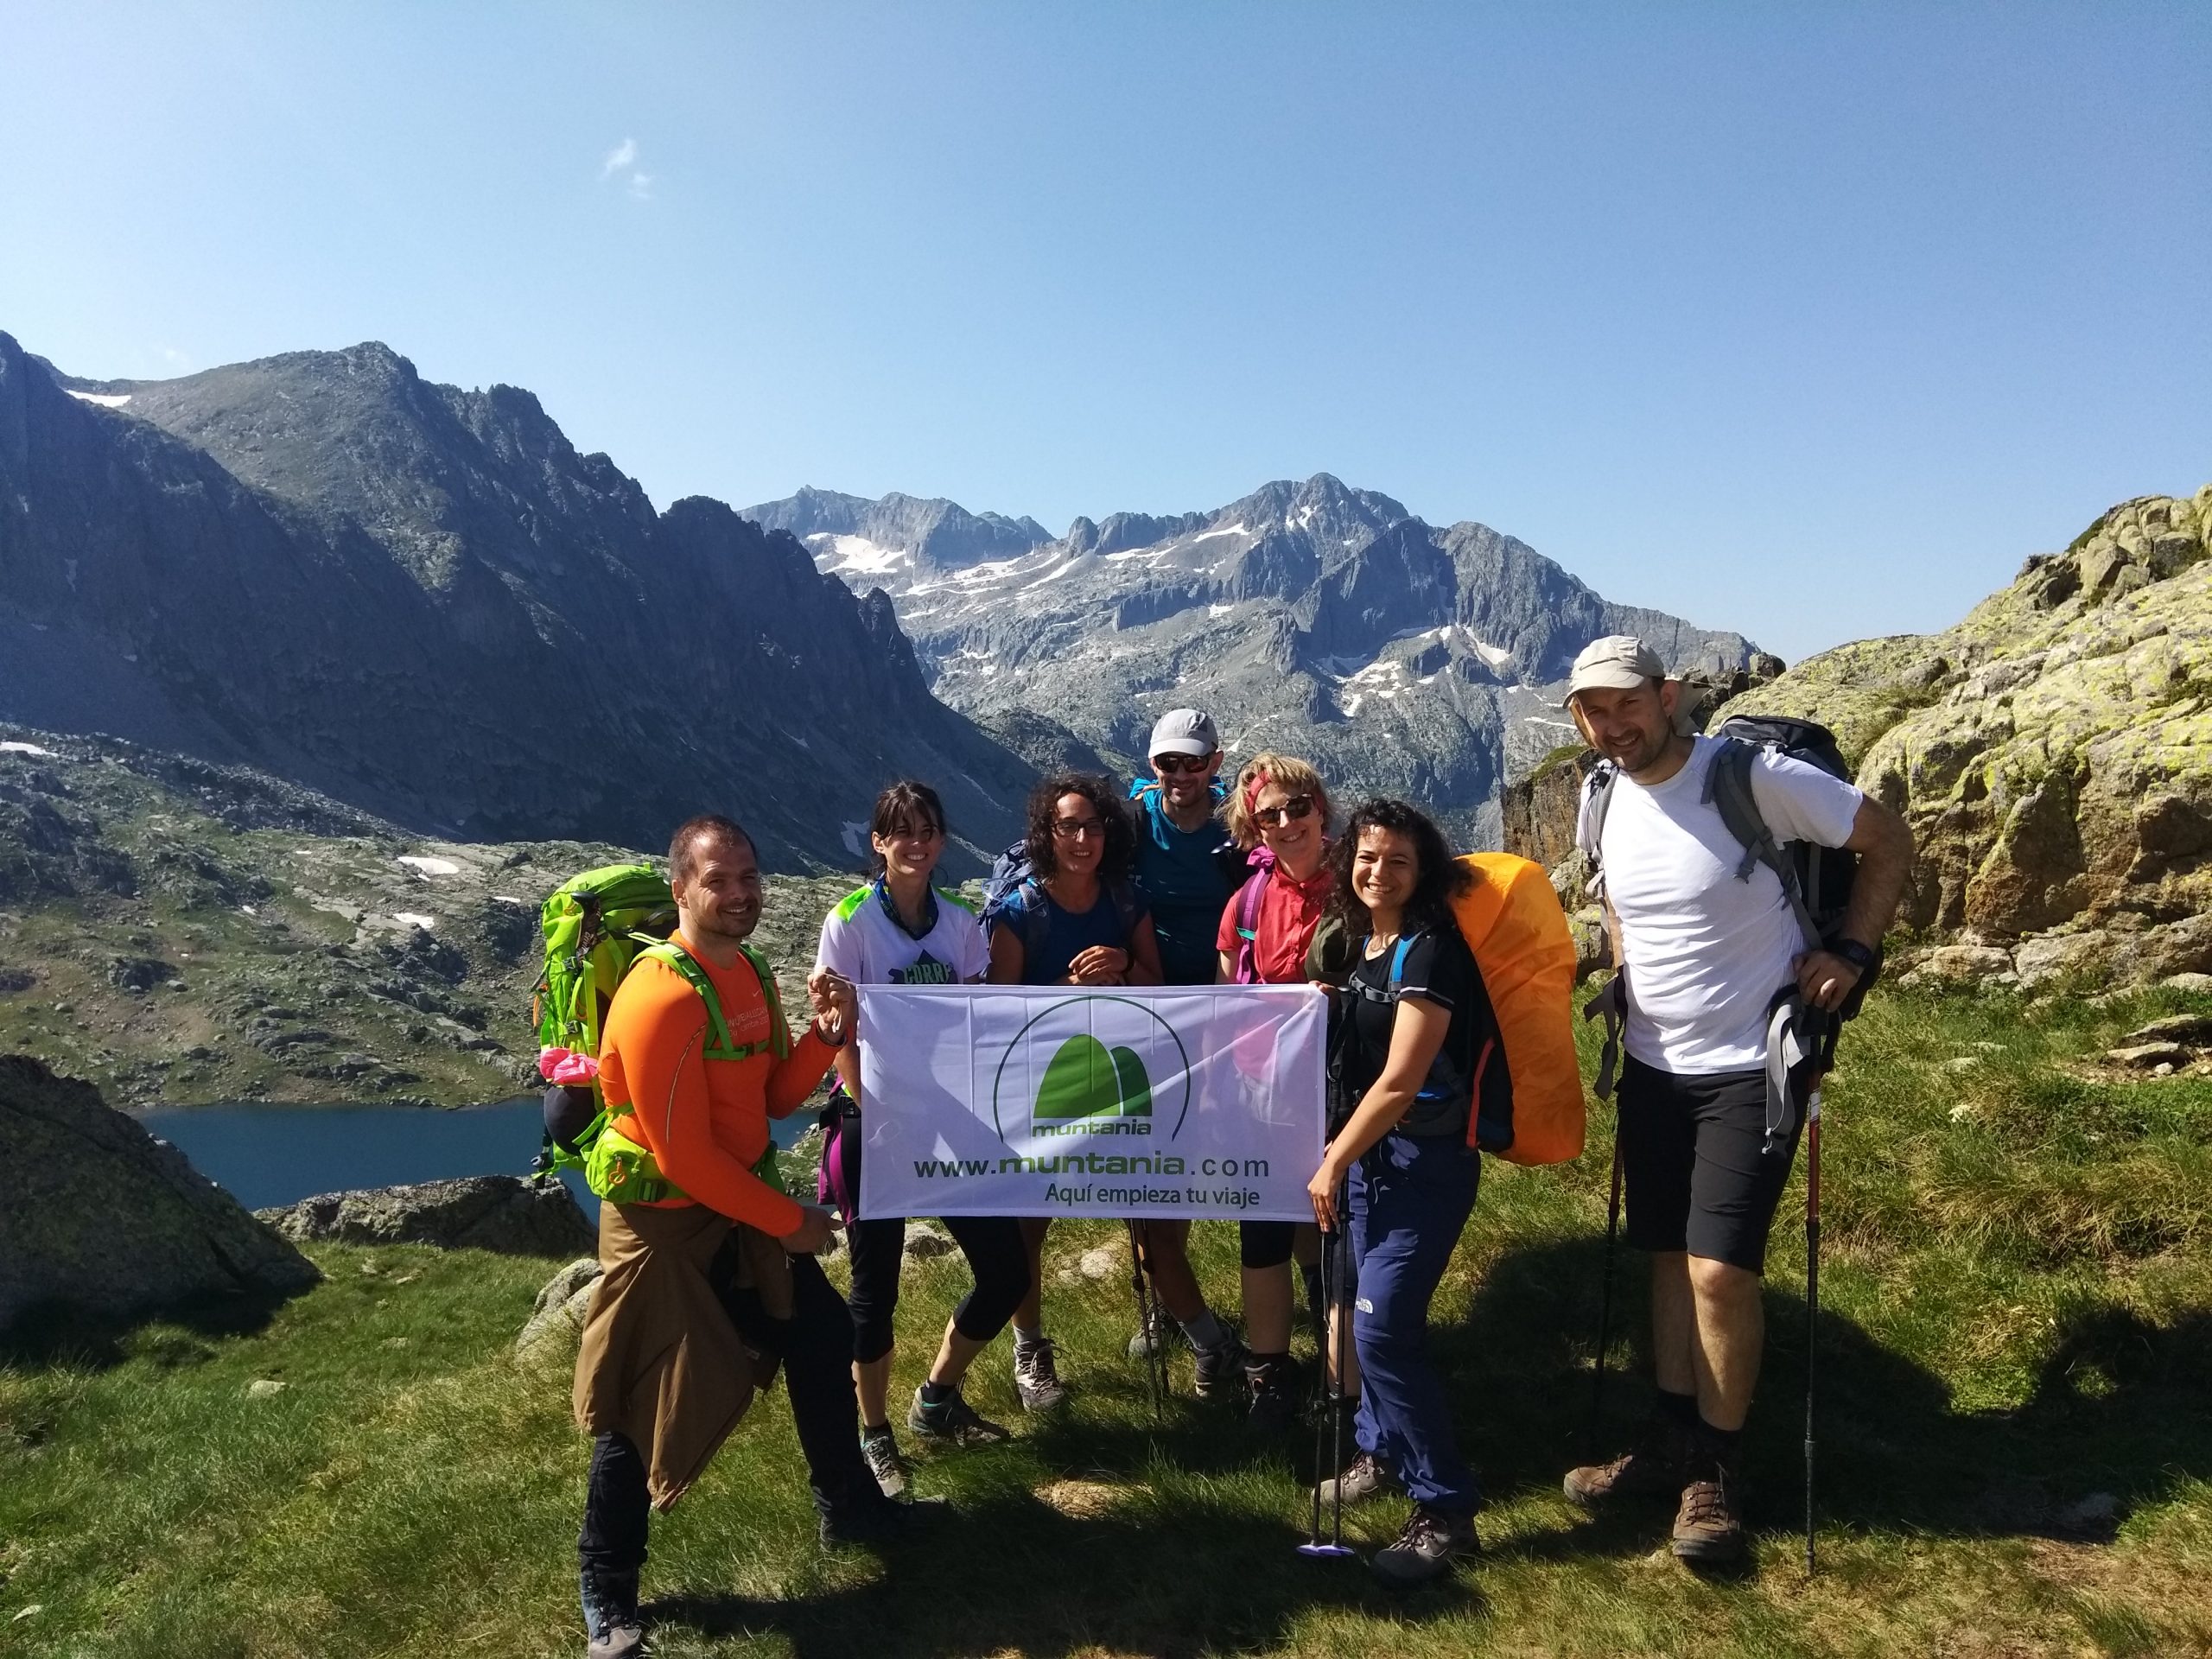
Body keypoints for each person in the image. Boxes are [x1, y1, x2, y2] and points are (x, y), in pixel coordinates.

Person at [1557, 636, 1912, 1566]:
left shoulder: (1751, 778)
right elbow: (1625, 909)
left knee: (1719, 1271)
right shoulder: (1601, 796)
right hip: (1650, 1064)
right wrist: (1627, 980)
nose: (1613, 725)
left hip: (1747, 1066)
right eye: (1593, 711)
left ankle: (1714, 1472)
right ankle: (1671, 1438)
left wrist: (1853, 956)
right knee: (1668, 1258)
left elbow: (1887, 838)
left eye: (1627, 704)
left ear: (1666, 696)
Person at [572, 815, 928, 1659]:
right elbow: (684, 1155)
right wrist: (793, 1221)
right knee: (639, 1398)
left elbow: (769, 1099)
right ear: (679, 891)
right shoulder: (660, 994)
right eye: (717, 881)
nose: (738, 895)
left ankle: (848, 1506)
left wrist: (824, 1039)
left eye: (747, 877)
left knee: (820, 1332)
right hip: (665, 1224)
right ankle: (607, 1591)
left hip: (737, 1208)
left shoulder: (750, 970)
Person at [813, 780, 1030, 1498]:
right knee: (875, 1294)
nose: (915, 842)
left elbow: (974, 1022)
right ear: (878, 842)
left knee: (1005, 1272)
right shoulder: (848, 922)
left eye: (927, 831)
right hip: (872, 1122)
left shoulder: (961, 922)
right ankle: (874, 1435)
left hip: (946, 1120)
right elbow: (837, 1028)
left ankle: (936, 1399)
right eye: (900, 831)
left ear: (940, 841)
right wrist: (876, 1105)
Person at [1306, 798, 1503, 1585]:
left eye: (1397, 862)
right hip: (1372, 1167)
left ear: (1423, 874)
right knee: (1358, 1314)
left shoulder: (1429, 952)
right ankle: (1378, 1448)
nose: (1377, 872)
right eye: (1367, 857)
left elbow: (1401, 1081)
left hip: (1423, 1165)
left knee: (1382, 1332)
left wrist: (1330, 1161)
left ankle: (1446, 1509)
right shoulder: (1366, 947)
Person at [986, 771, 1164, 1410]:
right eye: (1068, 826)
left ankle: (1161, 1316)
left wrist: (1121, 968)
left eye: (1092, 825)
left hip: (1118, 1076)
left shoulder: (1124, 900)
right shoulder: (1018, 912)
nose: (1082, 838)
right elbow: (999, 1014)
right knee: (1029, 1226)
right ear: (1047, 834)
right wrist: (1061, 998)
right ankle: (1030, 1347)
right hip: (1045, 1087)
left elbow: (1158, 988)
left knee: (1141, 1202)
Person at [1119, 709, 1249, 1400]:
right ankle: (1175, 1302)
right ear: (1153, 767)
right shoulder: (1135, 825)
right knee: (1151, 1157)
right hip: (1145, 1014)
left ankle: (1181, 1299)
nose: (1180, 776)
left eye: (1193, 763)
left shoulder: (1238, 833)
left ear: (1216, 764)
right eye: (1168, 764)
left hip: (1223, 1017)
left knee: (1190, 1150)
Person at [1216, 752, 1342, 1432]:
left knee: (1330, 1228)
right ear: (1253, 829)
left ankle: (1339, 1373)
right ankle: (1269, 1374)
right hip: (1264, 1088)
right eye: (1272, 814)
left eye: (1299, 807)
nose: (1288, 822)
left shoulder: (1359, 883)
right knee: (1263, 1229)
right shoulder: (1248, 901)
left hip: (1341, 1086)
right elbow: (1228, 996)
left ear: (1321, 808)